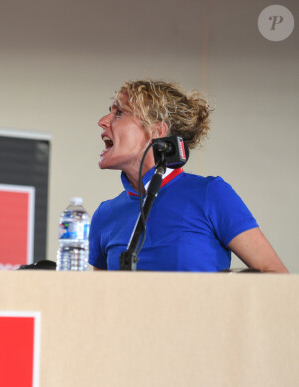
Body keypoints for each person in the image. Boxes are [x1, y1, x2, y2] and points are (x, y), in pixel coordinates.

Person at [89, 80, 288, 273]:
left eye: (119, 113)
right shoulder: (104, 215)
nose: (102, 121)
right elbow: (99, 299)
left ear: (156, 131)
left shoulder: (211, 194)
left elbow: (277, 278)